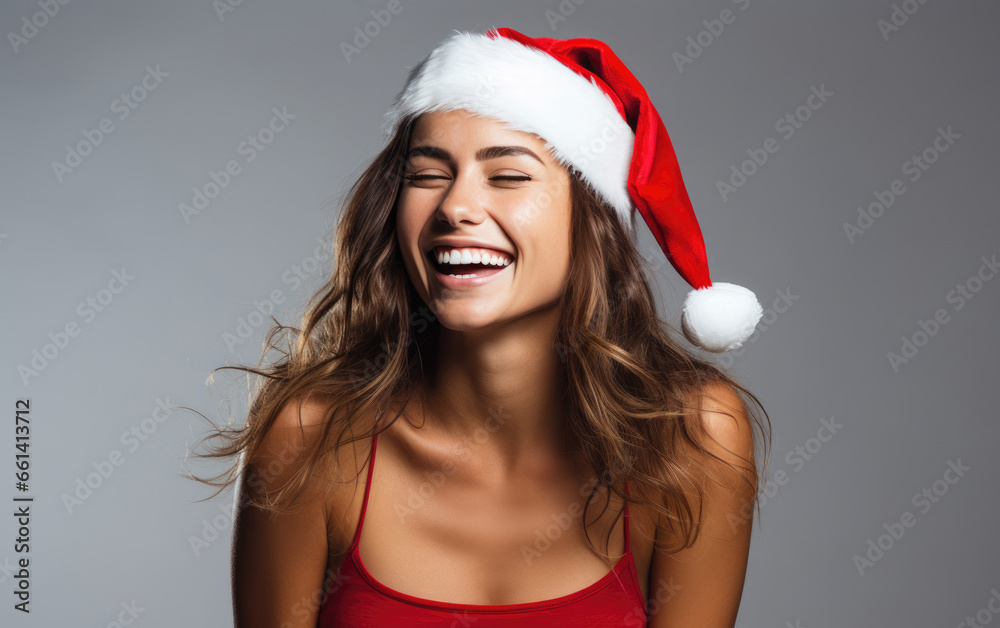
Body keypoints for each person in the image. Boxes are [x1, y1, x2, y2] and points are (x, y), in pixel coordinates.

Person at [190, 26, 772, 627]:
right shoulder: (310, 437)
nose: (454, 207)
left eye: (509, 176)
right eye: (427, 174)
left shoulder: (693, 435)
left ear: (592, 220)